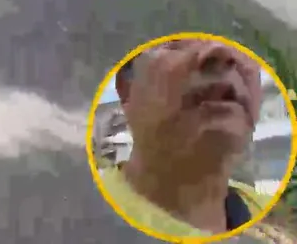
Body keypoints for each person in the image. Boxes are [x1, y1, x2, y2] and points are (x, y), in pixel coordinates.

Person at [98, 36, 273, 239]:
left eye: (244, 44)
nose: (222, 50)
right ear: (126, 88)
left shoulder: (273, 216)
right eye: (178, 40)